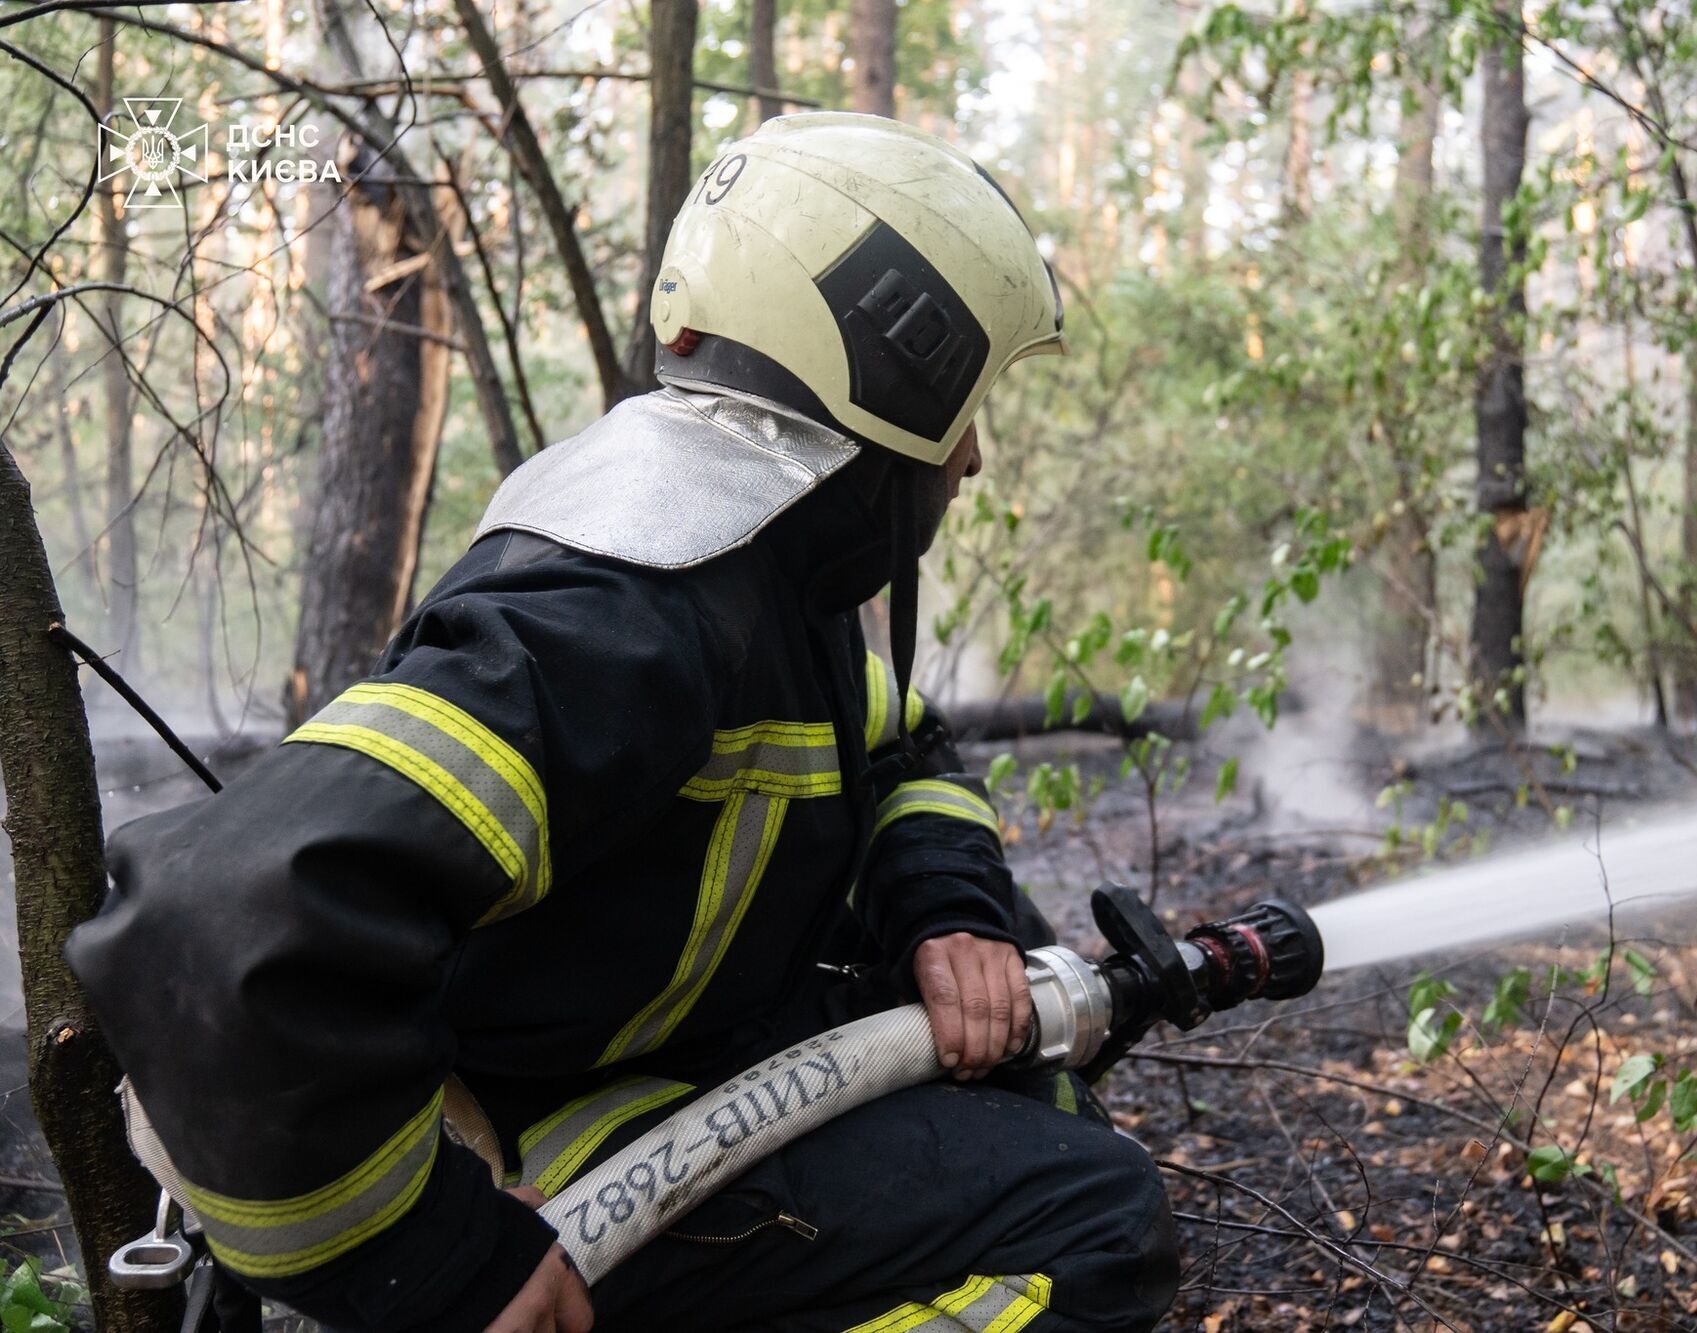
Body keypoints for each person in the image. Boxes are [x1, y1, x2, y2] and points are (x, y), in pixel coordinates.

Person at [68, 114, 1180, 1332]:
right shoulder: (628, 607)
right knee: (1092, 1224)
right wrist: (442, 1262)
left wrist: (948, 908)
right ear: (886, 376)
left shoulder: (761, 568)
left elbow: (898, 739)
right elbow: (223, 917)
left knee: (1044, 1094)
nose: (969, 457)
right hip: (554, 1126)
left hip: (676, 1051)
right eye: (960, 408)